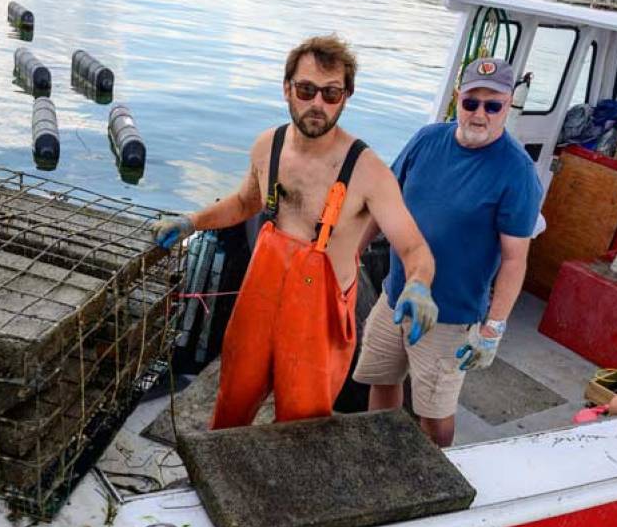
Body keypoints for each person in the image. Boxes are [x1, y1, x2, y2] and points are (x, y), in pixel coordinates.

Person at [151, 34, 437, 429]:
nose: (317, 103)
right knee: (232, 401)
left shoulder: (369, 171)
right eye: (306, 89)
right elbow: (244, 203)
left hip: (318, 324)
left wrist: (420, 285)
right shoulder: (268, 145)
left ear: (346, 96)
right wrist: (191, 222)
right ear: (287, 88)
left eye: (331, 93)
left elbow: (413, 247)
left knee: (301, 425)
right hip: (259, 302)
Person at [352, 57, 543, 447]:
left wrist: (493, 328)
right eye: (471, 102)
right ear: (458, 98)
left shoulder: (517, 172)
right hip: (395, 295)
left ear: (509, 106)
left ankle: (440, 465)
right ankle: (380, 450)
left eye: (493, 106)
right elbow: (383, 200)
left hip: (451, 317)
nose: (479, 114)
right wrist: (351, 254)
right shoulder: (427, 139)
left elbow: (514, 259)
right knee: (381, 378)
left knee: (434, 413)